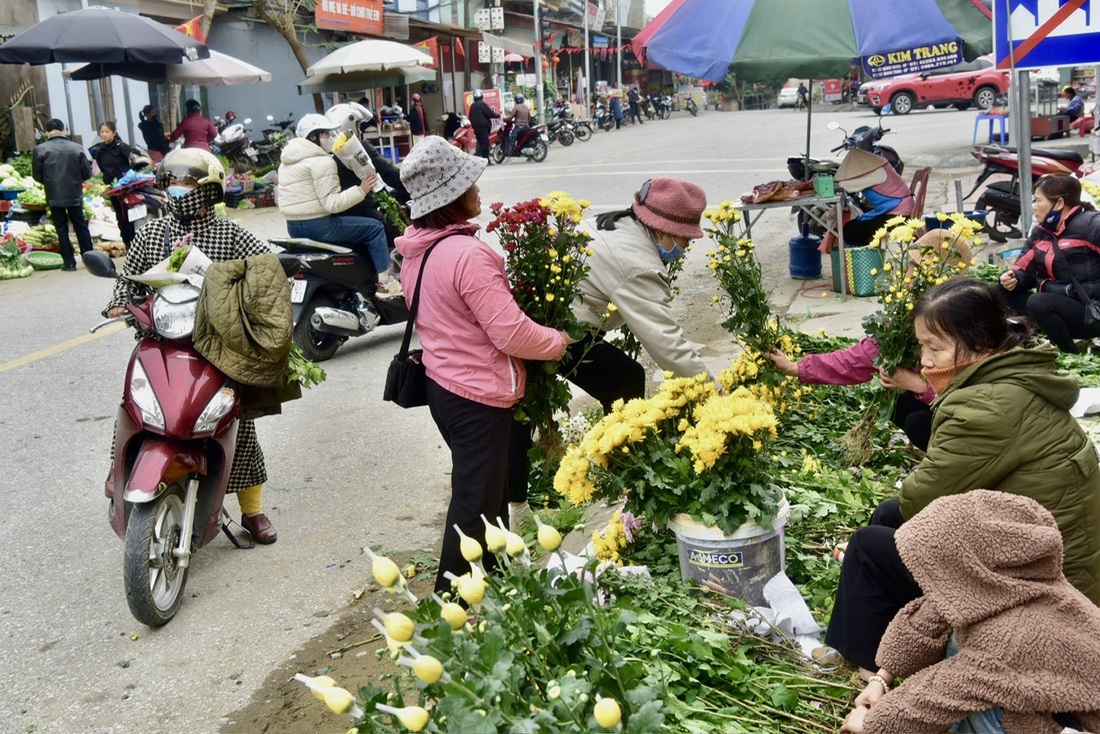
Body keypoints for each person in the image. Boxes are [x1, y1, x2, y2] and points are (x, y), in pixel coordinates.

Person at [824, 278, 1100, 680]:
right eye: (922, 346)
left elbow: (923, 497)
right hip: (1044, 555)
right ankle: (878, 644)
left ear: (982, 343)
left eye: (934, 347)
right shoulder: (1014, 375)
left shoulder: (985, 407)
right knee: (888, 516)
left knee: (869, 547)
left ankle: (875, 677)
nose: (924, 360)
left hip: (1048, 589)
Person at [394, 137, 569, 593]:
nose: (478, 188)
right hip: (476, 396)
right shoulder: (468, 256)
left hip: (444, 388)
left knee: (487, 498)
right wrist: (557, 342)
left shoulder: (420, 250)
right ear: (451, 198)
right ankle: (448, 606)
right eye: (470, 181)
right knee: (474, 503)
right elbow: (509, 332)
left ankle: (488, 585)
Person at [507, 178, 713, 527]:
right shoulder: (635, 263)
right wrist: (714, 395)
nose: (684, 246)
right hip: (535, 329)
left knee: (624, 377)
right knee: (521, 410)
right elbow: (668, 345)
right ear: (662, 229)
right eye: (683, 238)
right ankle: (516, 511)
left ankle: (619, 472)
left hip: (565, 326)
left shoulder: (619, 224)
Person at [102, 148, 280, 543]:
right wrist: (119, 302)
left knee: (238, 424)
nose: (178, 191)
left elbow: (265, 267)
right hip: (159, 340)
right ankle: (119, 469)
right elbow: (129, 278)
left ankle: (253, 510)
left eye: (188, 184)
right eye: (172, 184)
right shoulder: (151, 232)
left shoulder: (231, 234)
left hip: (216, 346)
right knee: (134, 402)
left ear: (210, 192)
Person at [840, 491, 1100, 734]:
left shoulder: (1014, 637)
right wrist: (881, 679)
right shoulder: (1012, 583)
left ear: (969, 567)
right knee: (960, 638)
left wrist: (872, 723)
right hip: (1042, 691)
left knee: (978, 692)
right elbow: (933, 613)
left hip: (1079, 723)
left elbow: (941, 695)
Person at [770, 229, 974, 452]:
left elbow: (972, 399)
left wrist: (919, 385)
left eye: (915, 268)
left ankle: (955, 466)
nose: (906, 274)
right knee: (898, 402)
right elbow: (861, 359)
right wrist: (797, 368)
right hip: (939, 401)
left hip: (972, 425)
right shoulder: (907, 313)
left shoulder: (966, 324)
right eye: (909, 264)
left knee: (918, 422)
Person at [277, 113, 401, 295]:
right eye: (326, 134)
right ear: (313, 136)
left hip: (293, 227)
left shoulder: (286, 162)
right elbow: (332, 204)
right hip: (320, 226)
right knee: (374, 228)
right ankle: (385, 283)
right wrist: (362, 189)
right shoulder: (322, 162)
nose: (330, 138)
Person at [999, 174, 1100, 353]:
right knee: (998, 293)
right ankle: (1026, 336)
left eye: (1038, 200)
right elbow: (1024, 268)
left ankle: (1069, 352)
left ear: (1059, 203)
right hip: (1057, 305)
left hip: (1091, 312)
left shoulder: (1091, 225)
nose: (1034, 206)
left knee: (1039, 302)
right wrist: (1012, 278)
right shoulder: (1041, 232)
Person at [323, 102, 410, 250]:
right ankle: (393, 268)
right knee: (397, 230)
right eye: (358, 126)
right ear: (348, 126)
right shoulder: (358, 149)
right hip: (362, 209)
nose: (360, 130)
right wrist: (415, 184)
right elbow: (390, 174)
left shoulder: (328, 153)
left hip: (341, 212)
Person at [32, 119, 94, 272]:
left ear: (47, 132)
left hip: (54, 195)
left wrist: (49, 182)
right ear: (63, 130)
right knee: (81, 226)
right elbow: (87, 173)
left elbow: (36, 176)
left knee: (61, 228)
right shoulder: (76, 148)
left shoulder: (40, 149)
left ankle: (69, 263)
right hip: (74, 194)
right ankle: (91, 261)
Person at [833, 148, 914, 248]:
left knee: (850, 231)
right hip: (897, 211)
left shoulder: (878, 173)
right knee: (852, 225)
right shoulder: (881, 168)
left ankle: (865, 257)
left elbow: (848, 186)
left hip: (899, 215)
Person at [93, 120, 137, 250]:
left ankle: (134, 240)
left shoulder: (121, 146)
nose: (104, 134)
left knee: (128, 213)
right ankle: (127, 241)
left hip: (126, 186)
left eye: (107, 132)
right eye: (102, 132)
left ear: (114, 133)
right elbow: (101, 166)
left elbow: (134, 158)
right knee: (120, 215)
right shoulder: (100, 150)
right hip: (113, 188)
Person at [467, 89, 499, 160]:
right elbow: (490, 113)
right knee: (485, 144)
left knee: (482, 144)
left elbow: (470, 117)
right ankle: (475, 156)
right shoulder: (482, 104)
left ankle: (486, 159)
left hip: (476, 128)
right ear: (481, 96)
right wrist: (498, 115)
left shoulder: (473, 106)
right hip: (483, 128)